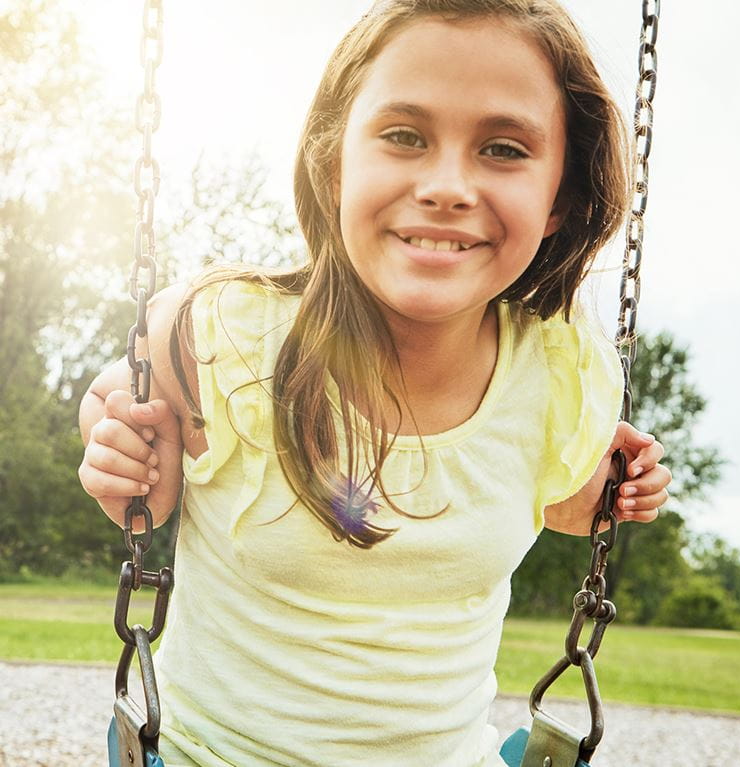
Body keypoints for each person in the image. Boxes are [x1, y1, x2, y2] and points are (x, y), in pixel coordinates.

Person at [78, 1, 672, 765]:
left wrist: (621, 491)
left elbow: (561, 501)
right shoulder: (217, 332)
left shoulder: (560, 369)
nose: (446, 185)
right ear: (334, 163)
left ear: (558, 197)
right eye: (403, 136)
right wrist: (119, 460)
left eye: (501, 148)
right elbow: (113, 414)